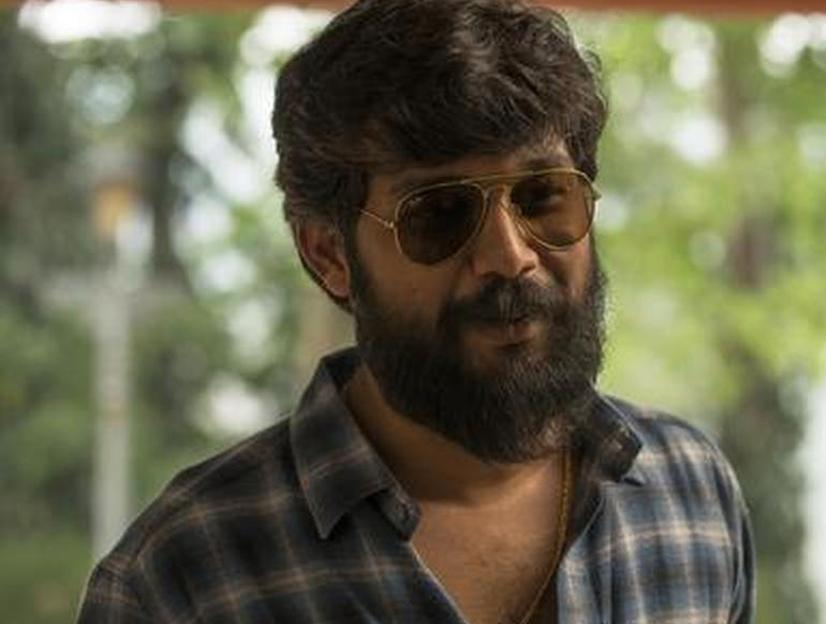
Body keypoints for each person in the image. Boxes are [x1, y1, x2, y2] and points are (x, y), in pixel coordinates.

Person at [77, 0, 754, 622]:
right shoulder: (183, 577)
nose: (509, 256)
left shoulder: (691, 495)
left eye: (543, 195)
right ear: (329, 255)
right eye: (440, 213)